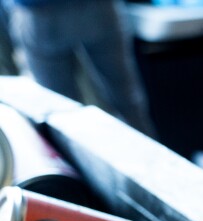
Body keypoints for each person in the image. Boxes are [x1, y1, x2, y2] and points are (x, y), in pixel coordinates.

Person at [5, 0, 155, 135]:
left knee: (60, 112)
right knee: (126, 101)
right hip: (95, 10)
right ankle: (151, 161)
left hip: (43, 13)